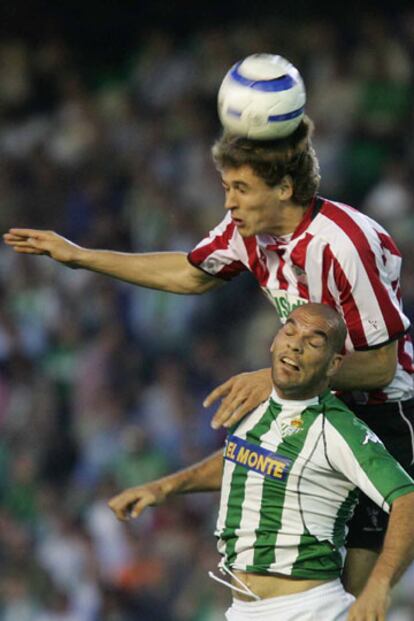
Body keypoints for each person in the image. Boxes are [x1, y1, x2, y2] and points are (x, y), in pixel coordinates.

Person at [3, 116, 414, 595]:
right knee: (279, 587)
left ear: (283, 188)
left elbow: (383, 366)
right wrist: (83, 256)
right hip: (318, 409)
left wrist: (273, 382)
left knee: (356, 597)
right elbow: (190, 273)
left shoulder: (344, 244)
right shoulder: (248, 233)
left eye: (240, 187)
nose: (228, 201)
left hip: (384, 419)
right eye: (226, 187)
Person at [108, 304, 414, 621]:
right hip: (244, 609)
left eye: (314, 341)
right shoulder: (256, 410)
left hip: (309, 609)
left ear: (333, 364)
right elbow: (239, 459)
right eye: (290, 331)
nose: (295, 344)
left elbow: (407, 498)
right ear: (274, 341)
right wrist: (164, 487)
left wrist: (379, 584)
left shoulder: (336, 428)